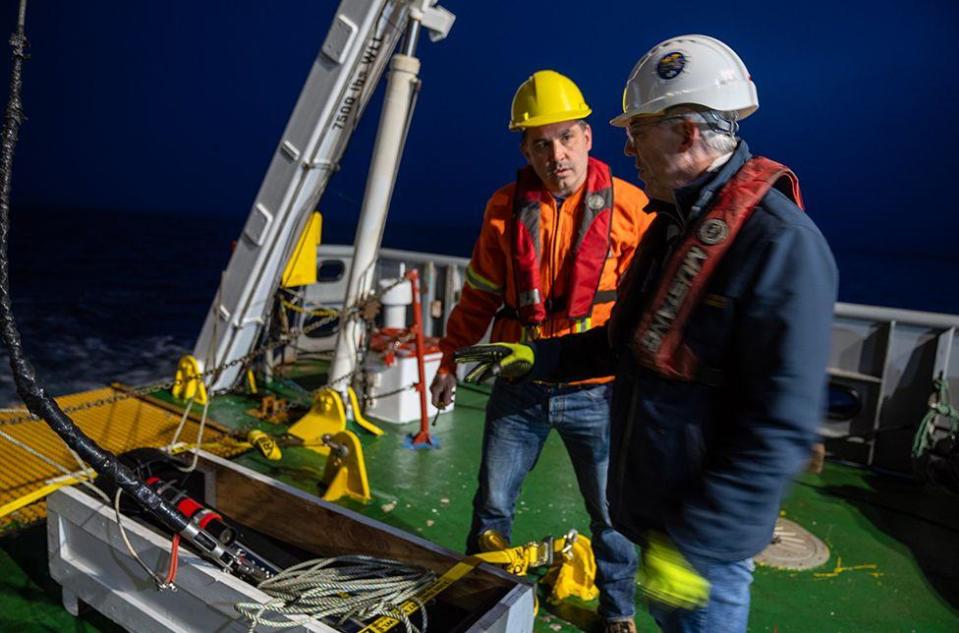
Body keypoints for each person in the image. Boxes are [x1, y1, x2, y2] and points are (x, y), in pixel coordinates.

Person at [455, 36, 838, 633]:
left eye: (638, 131)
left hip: (694, 547)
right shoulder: (678, 224)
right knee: (494, 505)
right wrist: (536, 355)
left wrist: (697, 545)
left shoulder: (778, 244)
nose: (626, 146)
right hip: (656, 516)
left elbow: (780, 426)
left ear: (685, 134)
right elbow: (624, 341)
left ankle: (616, 612)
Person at [430, 70, 652, 632]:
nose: (556, 155)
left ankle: (618, 612)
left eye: (566, 138)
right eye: (540, 143)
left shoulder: (630, 207)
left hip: (596, 394)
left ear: (588, 136)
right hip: (519, 387)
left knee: (611, 515)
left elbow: (644, 313)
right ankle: (481, 593)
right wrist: (449, 361)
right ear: (526, 148)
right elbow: (479, 293)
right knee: (492, 506)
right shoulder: (503, 209)